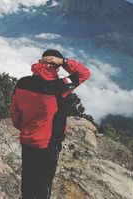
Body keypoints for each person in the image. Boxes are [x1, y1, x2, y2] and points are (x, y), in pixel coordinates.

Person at [9, 49, 91, 199]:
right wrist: (64, 62)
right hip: (48, 145)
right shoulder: (59, 87)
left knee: (27, 180)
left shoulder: (22, 83)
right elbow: (84, 73)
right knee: (43, 183)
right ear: (56, 66)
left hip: (27, 140)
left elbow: (14, 112)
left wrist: (24, 128)